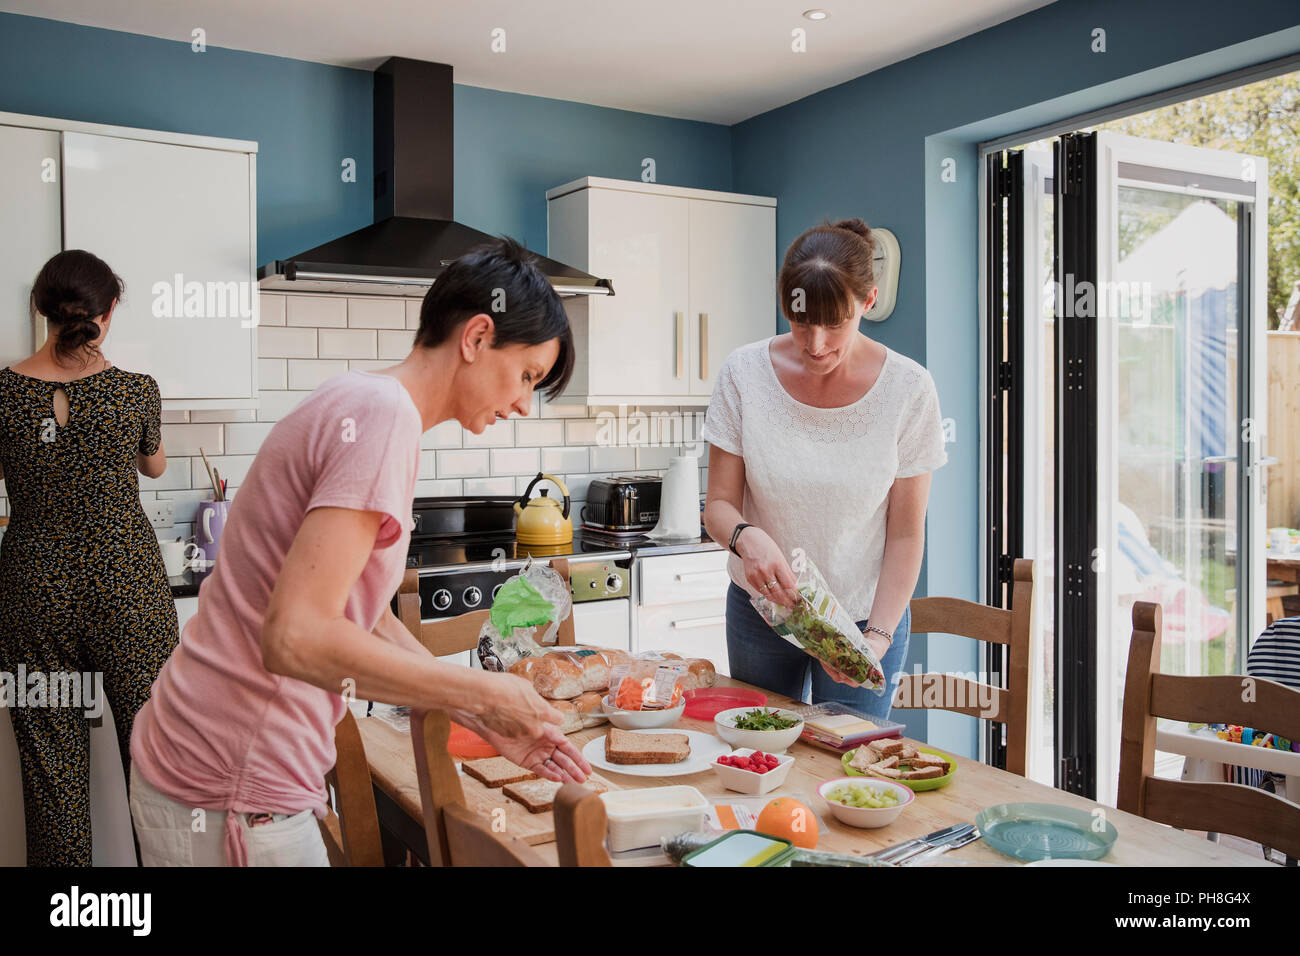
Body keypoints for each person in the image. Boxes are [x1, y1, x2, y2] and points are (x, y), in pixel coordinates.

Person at [129, 237, 591, 867]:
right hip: (230, 786)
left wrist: (477, 712)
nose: (520, 403)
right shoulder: (381, 420)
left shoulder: (366, 402)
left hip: (215, 772)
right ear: (477, 337)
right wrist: (483, 694)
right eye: (527, 376)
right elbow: (292, 638)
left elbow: (361, 614)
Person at [701, 218, 947, 719]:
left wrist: (876, 638)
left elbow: (905, 534)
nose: (815, 344)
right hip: (762, 613)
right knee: (758, 753)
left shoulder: (909, 390)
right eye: (800, 321)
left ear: (868, 302)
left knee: (851, 770)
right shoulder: (744, 374)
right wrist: (748, 538)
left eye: (834, 323)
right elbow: (718, 505)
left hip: (864, 620)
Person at [0, 250, 176, 866]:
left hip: (33, 592)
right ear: (108, 311)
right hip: (126, 588)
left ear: (41, 310)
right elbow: (153, 465)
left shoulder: (2, 393)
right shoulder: (134, 392)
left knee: (51, 776)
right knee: (155, 762)